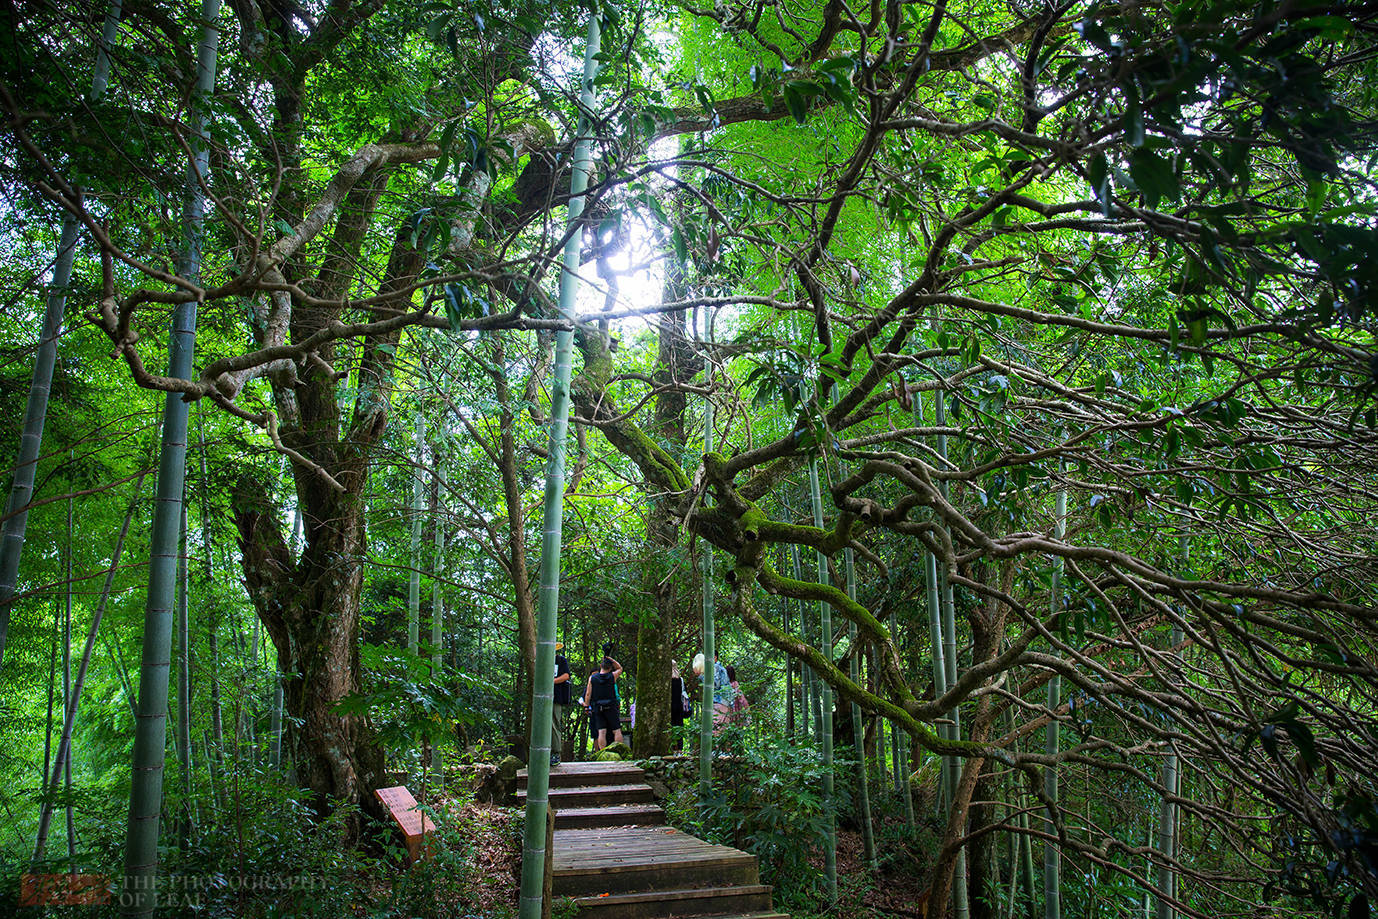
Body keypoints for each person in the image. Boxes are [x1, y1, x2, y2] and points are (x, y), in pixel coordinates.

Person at [583, 655, 625, 750]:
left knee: (601, 731)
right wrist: (612, 659)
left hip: (598, 707)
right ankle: (620, 750)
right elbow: (620, 668)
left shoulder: (592, 678)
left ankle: (602, 752)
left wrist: (586, 706)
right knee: (616, 730)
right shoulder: (612, 676)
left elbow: (588, 693)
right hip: (611, 706)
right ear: (610, 668)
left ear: (600, 666)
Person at [552, 642, 571, 766]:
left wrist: (552, 681)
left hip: (556, 697)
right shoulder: (540, 660)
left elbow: (566, 675)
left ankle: (555, 753)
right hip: (541, 698)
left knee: (554, 723)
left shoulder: (560, 660)